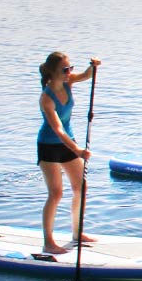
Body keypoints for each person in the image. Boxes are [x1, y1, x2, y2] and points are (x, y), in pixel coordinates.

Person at [37, 51, 101, 254]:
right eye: (65, 69)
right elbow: (57, 129)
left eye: (70, 68)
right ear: (53, 72)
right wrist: (78, 150)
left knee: (80, 187)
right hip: (49, 145)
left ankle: (77, 233)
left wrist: (93, 66)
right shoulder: (46, 99)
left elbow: (87, 75)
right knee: (56, 193)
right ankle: (48, 242)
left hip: (69, 142)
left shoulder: (69, 81)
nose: (69, 72)